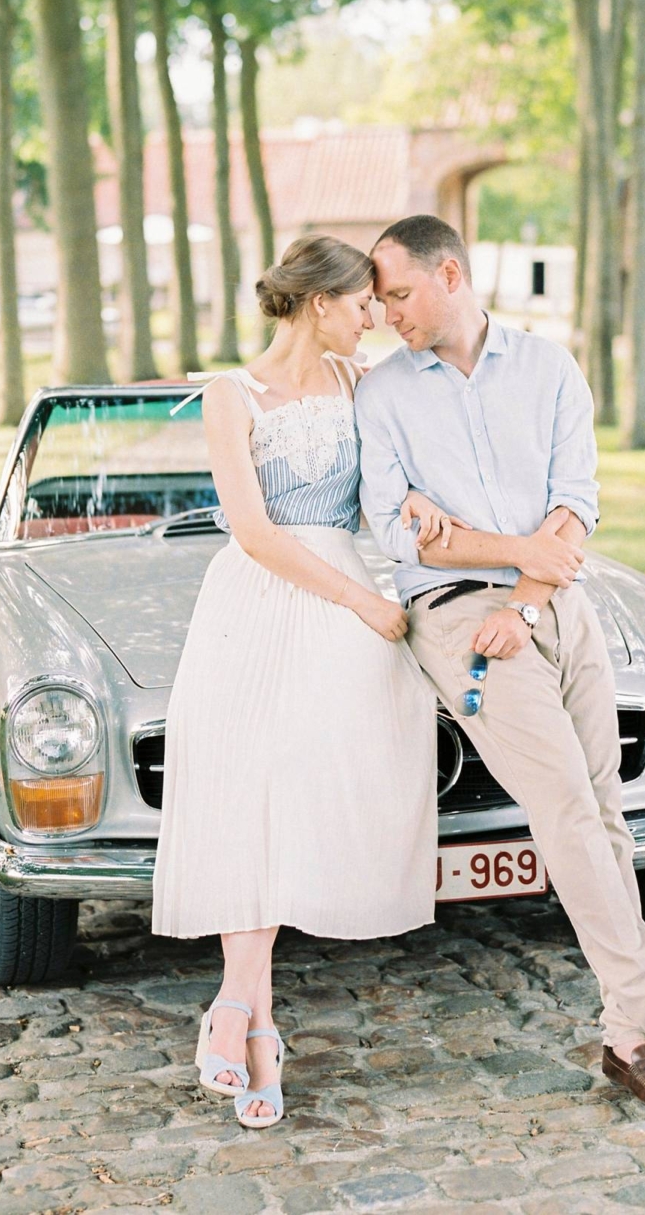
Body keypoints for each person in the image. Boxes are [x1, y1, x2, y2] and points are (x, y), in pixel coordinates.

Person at [355, 214, 645, 1112]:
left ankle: (624, 1035)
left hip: (559, 611)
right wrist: (504, 561)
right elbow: (396, 533)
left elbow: (577, 502)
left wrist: (520, 586)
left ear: (450, 274)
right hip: (458, 623)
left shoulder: (550, 368)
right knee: (566, 805)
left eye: (400, 294)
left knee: (604, 810)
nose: (387, 314)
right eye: (378, 301)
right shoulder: (381, 397)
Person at [152, 235, 448, 1128]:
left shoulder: (363, 388)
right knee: (251, 796)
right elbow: (254, 531)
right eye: (364, 303)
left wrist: (416, 505)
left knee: (306, 797)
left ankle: (239, 1009)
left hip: (346, 610)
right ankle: (259, 1024)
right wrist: (361, 599)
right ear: (320, 303)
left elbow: (379, 498)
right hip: (263, 600)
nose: (375, 317)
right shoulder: (230, 396)